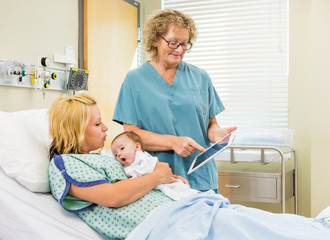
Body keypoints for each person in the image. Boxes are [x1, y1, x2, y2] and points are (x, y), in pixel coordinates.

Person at [48, 94, 330, 240]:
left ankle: (316, 229)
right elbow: (113, 196)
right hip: (160, 224)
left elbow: (134, 180)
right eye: (97, 124)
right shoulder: (66, 164)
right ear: (74, 130)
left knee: (246, 219)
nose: (106, 127)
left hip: (177, 210)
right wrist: (158, 176)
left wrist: (168, 182)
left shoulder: (103, 157)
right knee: (240, 226)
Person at [112, 9, 237, 192]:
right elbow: (131, 135)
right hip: (160, 176)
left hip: (200, 174)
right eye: (173, 42)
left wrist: (217, 134)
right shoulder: (135, 80)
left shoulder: (200, 77)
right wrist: (173, 142)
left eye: (185, 44)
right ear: (155, 40)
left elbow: (211, 124)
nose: (179, 50)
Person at [107, 131, 200, 200]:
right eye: (115, 154)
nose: (118, 154)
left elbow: (145, 170)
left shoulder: (141, 156)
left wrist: (129, 172)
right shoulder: (127, 163)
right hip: (155, 186)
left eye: (122, 148)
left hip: (165, 183)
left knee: (181, 192)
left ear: (137, 147)